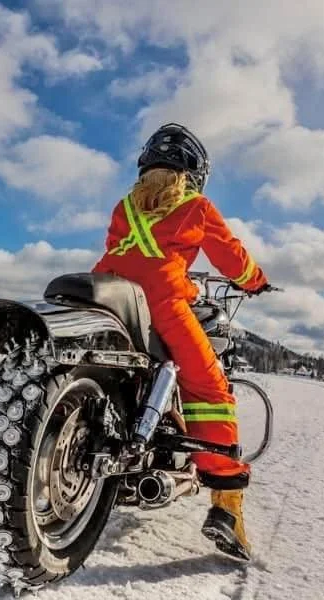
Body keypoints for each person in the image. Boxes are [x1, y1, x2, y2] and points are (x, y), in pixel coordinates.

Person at [92, 122, 270, 561]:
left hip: (109, 296)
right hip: (162, 303)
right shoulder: (195, 205)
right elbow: (231, 256)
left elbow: (125, 253)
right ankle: (226, 507)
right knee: (209, 389)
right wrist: (256, 281)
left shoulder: (125, 206)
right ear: (193, 173)